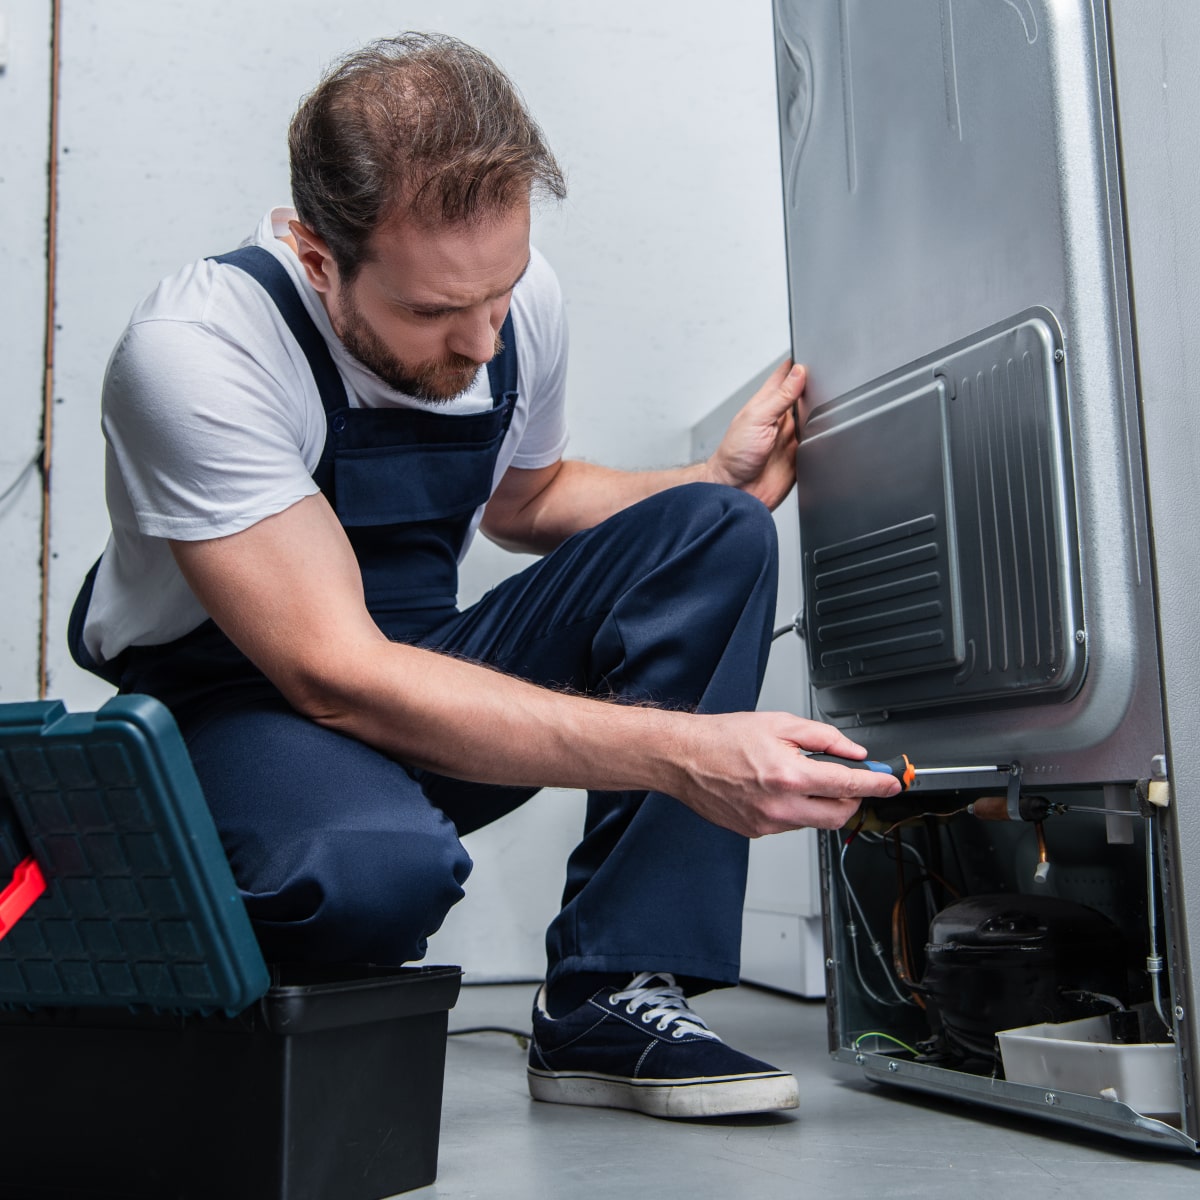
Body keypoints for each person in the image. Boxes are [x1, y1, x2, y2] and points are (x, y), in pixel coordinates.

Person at [69, 32, 899, 1119]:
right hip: (239, 709)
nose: (479, 339)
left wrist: (708, 476)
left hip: (415, 670)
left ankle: (608, 996)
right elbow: (334, 676)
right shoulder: (197, 353)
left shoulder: (509, 302)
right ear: (319, 256)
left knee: (717, 529)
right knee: (376, 875)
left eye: (499, 292)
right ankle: (164, 932)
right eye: (430, 313)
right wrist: (685, 753)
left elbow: (525, 500)